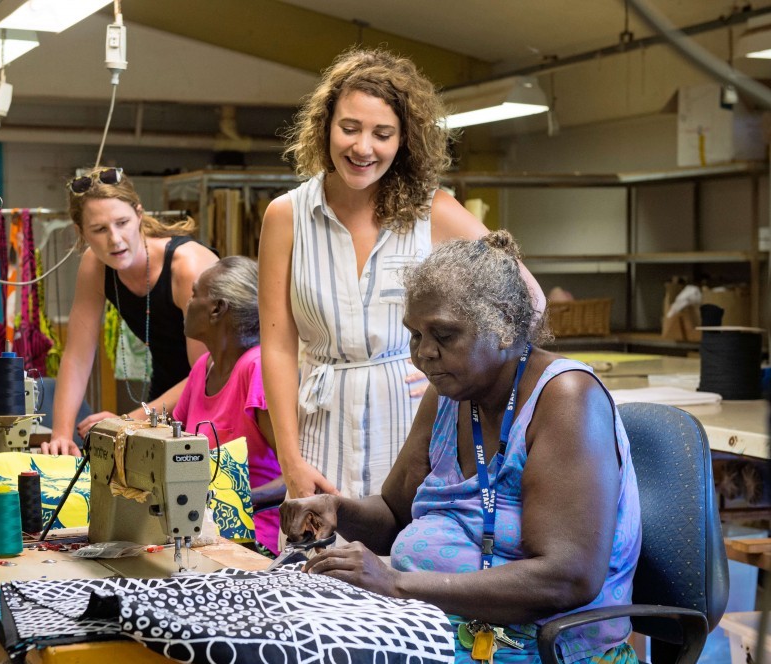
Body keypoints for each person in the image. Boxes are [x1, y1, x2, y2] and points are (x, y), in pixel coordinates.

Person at [280, 231, 641, 664]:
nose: (423, 354)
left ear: (505, 326)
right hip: (439, 629)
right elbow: (396, 514)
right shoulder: (452, 394)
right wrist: (338, 510)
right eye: (414, 334)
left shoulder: (565, 398)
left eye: (444, 335)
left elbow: (567, 578)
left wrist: (395, 582)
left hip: (541, 651)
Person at [258, 48, 546, 502]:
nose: (362, 147)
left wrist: (462, 370)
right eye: (349, 128)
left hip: (412, 431)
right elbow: (275, 347)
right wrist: (291, 462)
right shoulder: (286, 216)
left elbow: (528, 299)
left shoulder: (435, 212)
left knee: (403, 565)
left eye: (382, 133)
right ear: (326, 126)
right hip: (320, 436)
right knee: (315, 564)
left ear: (404, 140)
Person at [42, 168, 218, 456]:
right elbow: (76, 356)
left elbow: (207, 371)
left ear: (139, 214)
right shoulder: (95, 266)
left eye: (122, 222)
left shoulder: (186, 266)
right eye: (99, 229)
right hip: (165, 394)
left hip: (216, 396)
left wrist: (128, 421)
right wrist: (62, 434)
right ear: (81, 232)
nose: (115, 239)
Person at [173, 256, 285, 555]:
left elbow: (295, 476)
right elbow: (172, 446)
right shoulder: (203, 368)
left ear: (217, 309)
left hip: (252, 538)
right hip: (202, 530)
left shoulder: (256, 369)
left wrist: (232, 498)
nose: (188, 301)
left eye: (195, 293)